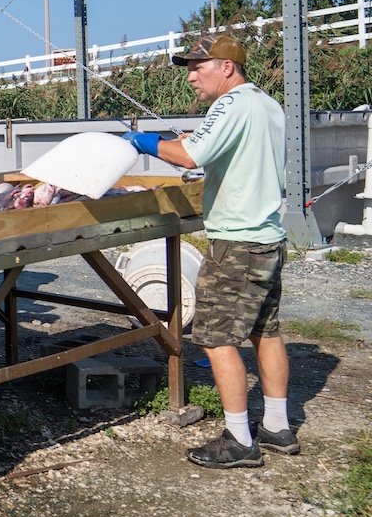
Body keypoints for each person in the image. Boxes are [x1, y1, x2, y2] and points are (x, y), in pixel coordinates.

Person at [123, 35, 297, 469]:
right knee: (265, 332)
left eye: (199, 66)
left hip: (236, 241)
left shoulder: (231, 104)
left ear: (227, 68)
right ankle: (277, 426)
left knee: (216, 338)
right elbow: (229, 154)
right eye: (188, 67)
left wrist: (146, 144)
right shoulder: (266, 105)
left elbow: (189, 156)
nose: (191, 75)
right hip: (268, 236)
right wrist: (190, 143)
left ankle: (239, 440)